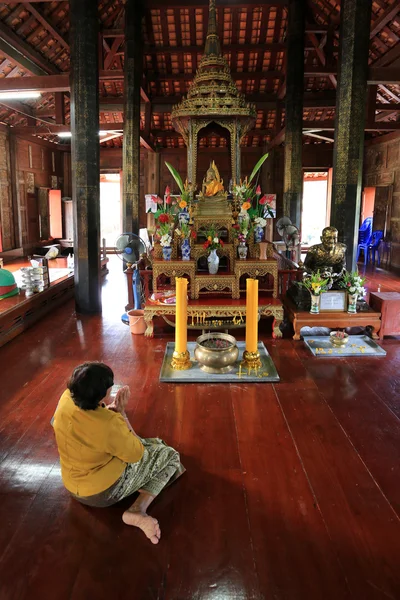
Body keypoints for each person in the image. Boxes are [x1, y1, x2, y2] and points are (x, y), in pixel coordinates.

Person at [53, 362, 184, 544]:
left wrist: (108, 412)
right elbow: (137, 452)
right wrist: (121, 413)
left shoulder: (66, 398)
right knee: (169, 455)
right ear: (102, 394)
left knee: (153, 445)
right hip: (101, 494)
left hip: (71, 483)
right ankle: (138, 509)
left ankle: (140, 486)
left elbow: (87, 429)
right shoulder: (108, 424)